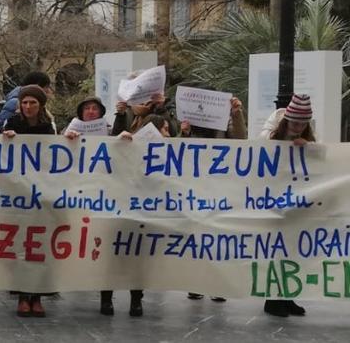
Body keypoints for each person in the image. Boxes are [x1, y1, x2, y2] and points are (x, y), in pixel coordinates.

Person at [63, 96, 144, 316]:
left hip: (122, 198)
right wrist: (67, 140)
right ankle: (106, 298)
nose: (91, 112)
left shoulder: (110, 132)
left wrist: (124, 139)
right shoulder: (69, 132)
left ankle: (137, 298)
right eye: (87, 108)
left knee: (135, 251)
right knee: (107, 251)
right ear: (80, 112)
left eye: (95, 109)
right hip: (92, 201)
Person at [179, 95, 246, 303]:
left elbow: (241, 140)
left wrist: (237, 114)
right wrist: (184, 133)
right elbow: (175, 153)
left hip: (219, 189)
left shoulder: (223, 127)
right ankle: (196, 283)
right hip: (194, 191)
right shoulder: (187, 127)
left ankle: (217, 284)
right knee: (197, 238)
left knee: (217, 238)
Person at [1, 85, 55, 317]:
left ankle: (37, 295)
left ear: (40, 105)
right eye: (24, 102)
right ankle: (23, 295)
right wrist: (6, 139)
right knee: (21, 242)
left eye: (32, 102)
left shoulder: (48, 127)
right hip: (19, 192)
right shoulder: (12, 124)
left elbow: (57, 154)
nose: (28, 106)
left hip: (42, 190)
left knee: (40, 242)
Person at [262, 94, 314, 319]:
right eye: (295, 123)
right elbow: (259, 151)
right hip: (273, 202)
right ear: (286, 120)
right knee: (276, 251)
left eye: (303, 124)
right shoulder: (271, 134)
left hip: (296, 204)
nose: (299, 127)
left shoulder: (307, 137)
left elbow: (322, 162)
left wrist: (310, 148)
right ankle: (273, 299)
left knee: (291, 251)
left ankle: (287, 296)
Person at [112, 90, 179, 139]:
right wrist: (120, 115)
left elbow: (172, 134)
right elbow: (116, 137)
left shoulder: (160, 109)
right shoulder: (128, 111)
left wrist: (161, 107)